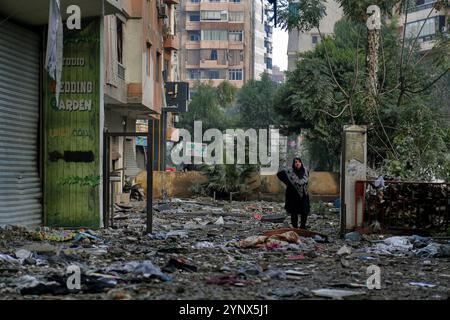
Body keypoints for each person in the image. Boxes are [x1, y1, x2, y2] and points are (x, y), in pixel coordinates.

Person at [277, 157, 310, 229]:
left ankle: (302, 227)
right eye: (295, 162)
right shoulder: (289, 172)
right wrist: (288, 183)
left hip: (303, 195)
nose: (297, 163)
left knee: (304, 211)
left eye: (299, 162)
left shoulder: (306, 171)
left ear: (301, 163)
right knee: (294, 212)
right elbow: (279, 174)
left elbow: (306, 182)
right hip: (293, 196)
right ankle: (295, 227)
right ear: (293, 164)